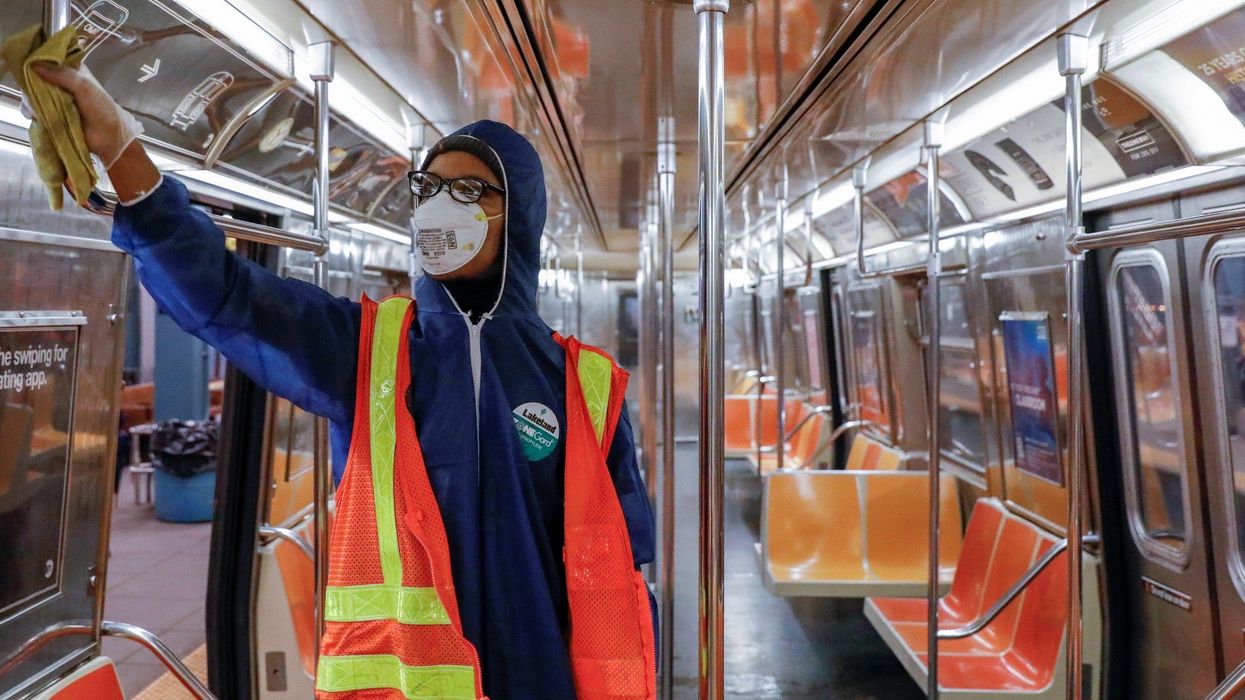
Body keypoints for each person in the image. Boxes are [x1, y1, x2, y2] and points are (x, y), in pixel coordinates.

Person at [34, 63, 656, 699]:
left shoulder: (584, 386)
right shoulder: (366, 353)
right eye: (429, 190)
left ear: (519, 218)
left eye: (471, 194)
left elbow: (621, 583)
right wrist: (120, 148)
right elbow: (225, 296)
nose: (443, 208)